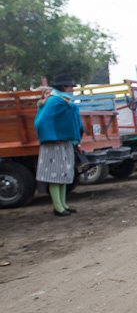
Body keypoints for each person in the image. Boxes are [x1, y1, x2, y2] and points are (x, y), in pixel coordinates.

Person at [34, 73, 84, 217]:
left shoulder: (63, 101)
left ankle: (63, 204)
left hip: (64, 142)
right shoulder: (54, 102)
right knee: (55, 175)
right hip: (54, 142)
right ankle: (58, 207)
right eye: (70, 86)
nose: (72, 89)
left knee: (64, 174)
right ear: (63, 87)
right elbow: (42, 121)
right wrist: (51, 136)